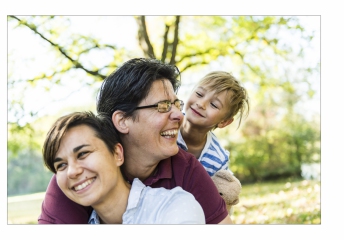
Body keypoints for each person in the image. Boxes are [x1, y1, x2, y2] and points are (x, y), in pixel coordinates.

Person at [38, 58, 232, 224]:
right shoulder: (79, 178)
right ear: (123, 121)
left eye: (176, 104)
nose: (180, 115)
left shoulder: (186, 170)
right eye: (163, 106)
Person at [42, 111, 205, 224]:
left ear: (117, 154)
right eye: (61, 165)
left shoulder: (174, 207)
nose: (72, 171)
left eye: (83, 154)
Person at [177, 71, 250, 176]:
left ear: (224, 122)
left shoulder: (218, 160)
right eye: (199, 94)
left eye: (214, 105)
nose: (201, 104)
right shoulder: (164, 124)